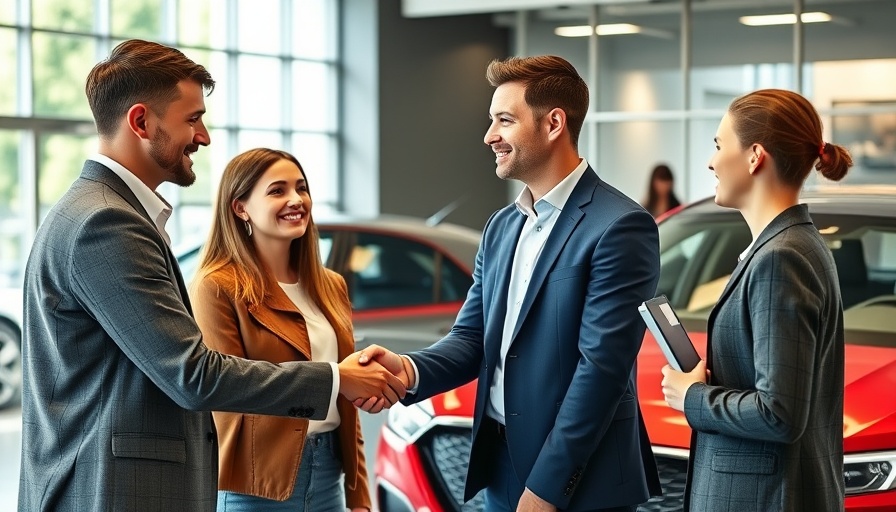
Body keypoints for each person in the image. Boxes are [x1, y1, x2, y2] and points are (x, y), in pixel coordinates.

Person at [18, 39, 402, 512]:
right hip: (113, 492)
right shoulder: (106, 223)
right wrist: (335, 380)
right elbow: (192, 375)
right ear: (141, 122)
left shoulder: (102, 212)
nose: (204, 137)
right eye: (192, 119)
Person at [358, 55, 663, 512]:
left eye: (504, 120)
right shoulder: (502, 227)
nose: (489, 136)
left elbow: (600, 372)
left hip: (578, 482)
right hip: (499, 467)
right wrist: (408, 370)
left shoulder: (620, 226)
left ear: (554, 123)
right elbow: (471, 339)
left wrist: (546, 488)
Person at [660, 88, 852, 511]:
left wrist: (691, 397)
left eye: (717, 145)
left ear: (754, 156)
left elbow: (779, 412)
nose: (711, 161)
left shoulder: (781, 258)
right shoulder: (791, 245)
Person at [190, 148, 370, 511]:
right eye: (277, 191)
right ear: (240, 208)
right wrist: (335, 377)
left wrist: (360, 496)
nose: (296, 200)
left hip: (328, 474)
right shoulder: (217, 286)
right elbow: (226, 387)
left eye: (301, 188)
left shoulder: (330, 284)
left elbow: (346, 400)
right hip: (255, 484)